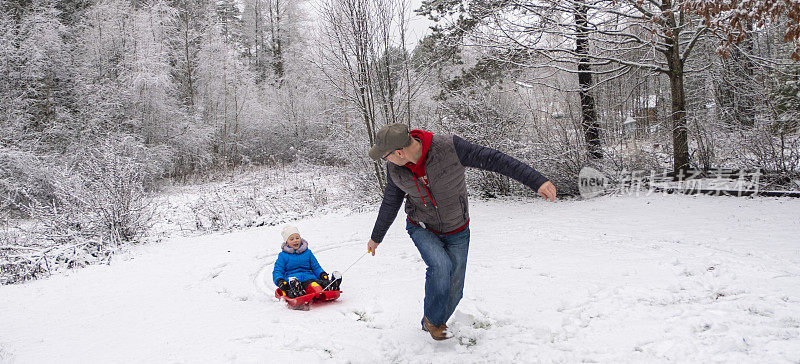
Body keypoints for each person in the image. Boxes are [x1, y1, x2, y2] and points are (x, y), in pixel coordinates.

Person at [366, 123, 557, 340]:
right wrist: (376, 237)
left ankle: (430, 320)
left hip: (457, 228)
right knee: (440, 266)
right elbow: (390, 203)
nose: (385, 161)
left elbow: (495, 159)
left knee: (455, 289)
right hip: (421, 226)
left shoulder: (449, 148)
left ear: (398, 152)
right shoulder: (395, 170)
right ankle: (435, 322)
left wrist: (536, 181)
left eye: (385, 156)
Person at [273, 225, 341, 298]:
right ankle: (297, 292)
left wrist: (322, 274)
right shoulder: (283, 256)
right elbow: (278, 271)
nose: (295, 240)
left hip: (310, 278)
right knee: (291, 288)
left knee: (318, 284)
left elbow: (316, 267)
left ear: (300, 239)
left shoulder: (308, 253)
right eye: (291, 239)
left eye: (297, 238)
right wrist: (279, 280)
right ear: (287, 243)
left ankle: (332, 285)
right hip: (293, 280)